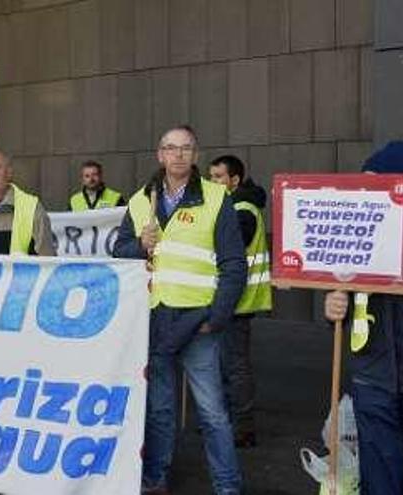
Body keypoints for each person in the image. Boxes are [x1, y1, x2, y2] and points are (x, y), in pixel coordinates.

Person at [113, 126, 246, 495]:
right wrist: (140, 244)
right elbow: (119, 251)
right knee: (159, 411)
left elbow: (234, 265)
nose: (179, 155)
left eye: (186, 148)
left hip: (199, 320)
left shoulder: (217, 197)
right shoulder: (142, 200)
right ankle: (156, 480)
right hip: (155, 320)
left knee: (213, 413)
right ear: (160, 155)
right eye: (171, 148)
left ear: (196, 154)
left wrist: (217, 317)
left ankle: (228, 486)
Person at [324, 140, 403, 495]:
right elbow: (345, 299)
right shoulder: (360, 229)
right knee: (381, 479)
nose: (365, 194)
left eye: (376, 185)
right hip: (374, 377)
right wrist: (333, 309)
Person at [208, 155, 272, 448]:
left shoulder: (241, 209)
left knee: (235, 367)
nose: (214, 182)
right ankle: (226, 422)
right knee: (226, 365)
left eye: (219, 177)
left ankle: (242, 428)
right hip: (231, 300)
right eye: (211, 177)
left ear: (234, 179)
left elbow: (226, 250)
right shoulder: (236, 206)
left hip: (238, 301)